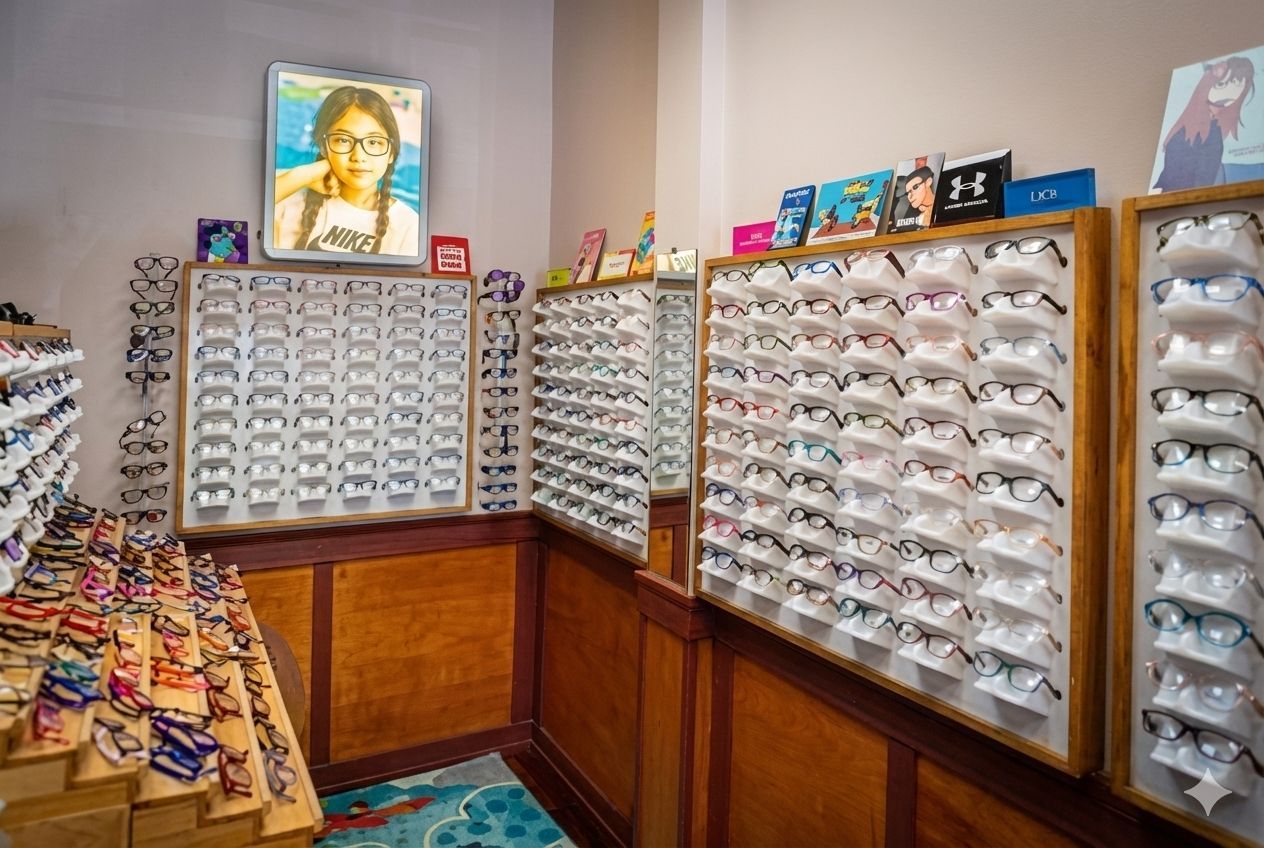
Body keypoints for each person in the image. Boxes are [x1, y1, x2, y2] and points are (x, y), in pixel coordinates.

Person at [273, 86, 420, 255]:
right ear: (323, 146)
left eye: (373, 142)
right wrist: (301, 175)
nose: (358, 156)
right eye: (343, 140)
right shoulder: (288, 196)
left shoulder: (408, 226)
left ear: (391, 153)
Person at [1153, 56, 1256, 192]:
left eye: (1238, 85)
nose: (1231, 92)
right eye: (1222, 84)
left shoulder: (1213, 130)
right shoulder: (1193, 130)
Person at [892, 165, 936, 230]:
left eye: (915, 187)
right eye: (908, 192)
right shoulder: (908, 215)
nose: (910, 196)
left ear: (928, 182)